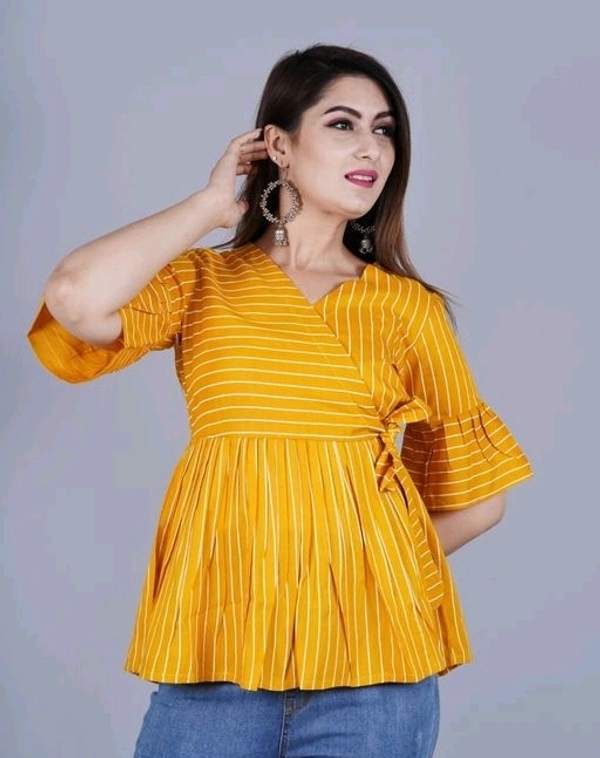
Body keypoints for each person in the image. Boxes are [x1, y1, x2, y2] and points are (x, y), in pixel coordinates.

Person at [27, 44, 532, 758]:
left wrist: (369, 564)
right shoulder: (202, 283)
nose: (371, 148)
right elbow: (75, 298)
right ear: (279, 147)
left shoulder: (406, 309)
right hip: (218, 651)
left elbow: (479, 500)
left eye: (385, 130)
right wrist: (207, 207)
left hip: (375, 672)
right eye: (343, 124)